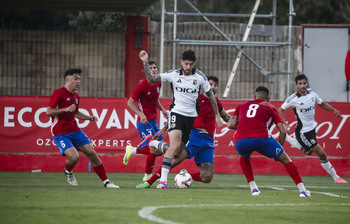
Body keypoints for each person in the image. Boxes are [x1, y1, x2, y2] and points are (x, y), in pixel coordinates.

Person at [139, 50, 223, 189]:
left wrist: (217, 115)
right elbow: (152, 79)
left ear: (194, 64)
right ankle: (163, 182)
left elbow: (211, 96)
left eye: (190, 64)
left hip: (190, 117)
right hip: (176, 113)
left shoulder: (200, 77)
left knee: (177, 151)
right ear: (181, 62)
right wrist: (145, 62)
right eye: (186, 64)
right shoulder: (173, 74)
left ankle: (153, 143)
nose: (188, 67)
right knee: (175, 146)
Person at [227, 86, 310, 197]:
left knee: (244, 156)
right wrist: (279, 148)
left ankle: (254, 189)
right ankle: (303, 191)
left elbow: (230, 124)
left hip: (241, 140)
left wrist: (245, 125)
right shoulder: (270, 107)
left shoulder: (241, 106)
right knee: (285, 159)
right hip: (262, 138)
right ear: (268, 98)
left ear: (254, 96)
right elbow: (283, 130)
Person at [46, 68, 119, 188]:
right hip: (60, 132)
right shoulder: (58, 93)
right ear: (67, 79)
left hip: (75, 130)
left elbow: (75, 113)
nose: (78, 81)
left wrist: (89, 117)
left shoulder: (76, 96)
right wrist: (65, 109)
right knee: (74, 157)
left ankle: (107, 182)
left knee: (92, 153)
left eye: (79, 79)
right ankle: (68, 171)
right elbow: (49, 112)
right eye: (75, 78)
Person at [278, 74, 347, 184]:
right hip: (302, 132)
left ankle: (288, 139)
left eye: (304, 83)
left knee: (309, 152)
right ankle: (336, 178)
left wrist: (334, 110)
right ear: (296, 85)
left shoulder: (312, 94)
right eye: (300, 84)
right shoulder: (293, 99)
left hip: (312, 130)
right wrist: (284, 124)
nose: (303, 86)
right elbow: (280, 109)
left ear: (307, 83)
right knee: (322, 153)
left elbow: (322, 104)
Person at [123, 61, 168, 181]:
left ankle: (132, 150)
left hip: (154, 121)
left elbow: (155, 99)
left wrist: (163, 109)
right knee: (154, 148)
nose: (153, 70)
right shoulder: (141, 86)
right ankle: (147, 176)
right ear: (147, 71)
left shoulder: (158, 82)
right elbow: (130, 102)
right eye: (151, 68)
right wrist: (140, 114)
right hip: (144, 122)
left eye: (155, 67)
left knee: (160, 151)